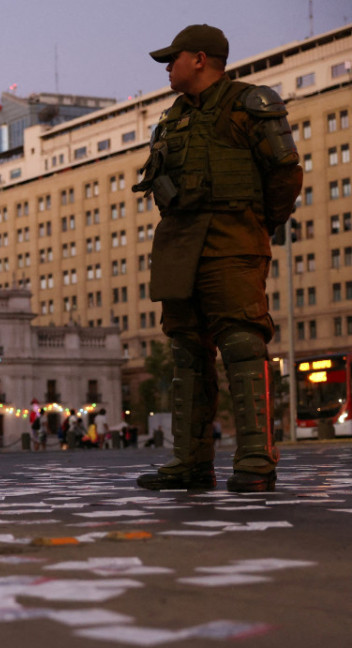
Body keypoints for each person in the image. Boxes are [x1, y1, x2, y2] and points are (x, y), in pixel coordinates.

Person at [133, 25, 302, 493]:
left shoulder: (250, 104)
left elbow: (285, 173)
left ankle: (255, 462)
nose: (168, 67)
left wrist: (260, 224)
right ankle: (190, 464)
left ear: (201, 59)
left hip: (232, 241)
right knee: (187, 353)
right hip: (180, 245)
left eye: (174, 58)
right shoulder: (170, 120)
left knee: (243, 346)